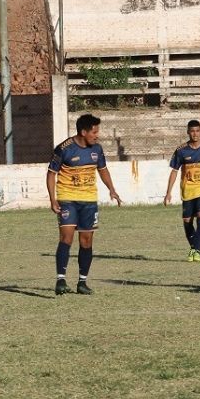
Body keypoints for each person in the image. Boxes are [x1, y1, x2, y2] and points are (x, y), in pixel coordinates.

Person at [47, 113, 122, 295]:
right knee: (66, 238)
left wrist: (112, 189)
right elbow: (51, 174)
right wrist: (53, 199)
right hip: (67, 199)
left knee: (86, 241)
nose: (97, 136)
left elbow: (103, 170)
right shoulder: (64, 149)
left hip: (89, 200)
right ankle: (61, 280)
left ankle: (82, 282)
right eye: (94, 132)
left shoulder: (97, 149)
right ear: (83, 132)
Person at [163, 120, 200, 262]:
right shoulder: (181, 150)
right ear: (188, 132)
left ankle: (197, 251)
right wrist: (168, 192)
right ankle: (194, 249)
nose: (195, 134)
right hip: (188, 191)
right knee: (187, 222)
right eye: (192, 131)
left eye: (197, 131)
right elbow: (174, 171)